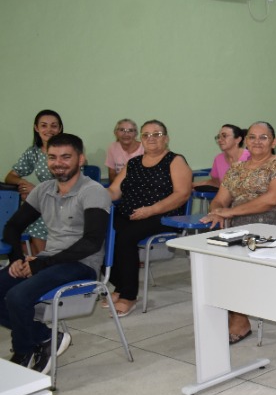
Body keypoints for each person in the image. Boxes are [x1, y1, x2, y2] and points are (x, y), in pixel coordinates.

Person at [1, 133, 111, 372]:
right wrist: (17, 259)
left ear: (80, 159)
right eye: (52, 157)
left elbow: (91, 242)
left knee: (17, 296)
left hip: (82, 264)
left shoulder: (93, 191)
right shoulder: (44, 190)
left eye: (65, 157)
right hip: (50, 260)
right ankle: (45, 337)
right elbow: (13, 226)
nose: (58, 163)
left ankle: (23, 351)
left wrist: (41, 264)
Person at [201, 122, 276, 342]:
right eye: (252, 137)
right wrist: (217, 212)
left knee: (231, 263)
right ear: (245, 141)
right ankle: (232, 311)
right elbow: (220, 199)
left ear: (274, 142)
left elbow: (272, 199)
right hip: (238, 229)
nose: (257, 142)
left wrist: (230, 212)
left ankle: (238, 318)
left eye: (263, 137)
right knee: (209, 259)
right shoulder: (236, 170)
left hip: (273, 228)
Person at [107, 120, 193, 317]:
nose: (151, 138)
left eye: (157, 134)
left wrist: (151, 210)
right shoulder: (133, 163)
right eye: (146, 135)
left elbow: (182, 194)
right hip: (130, 214)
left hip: (162, 216)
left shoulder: (175, 160)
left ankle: (128, 296)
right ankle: (119, 284)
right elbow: (114, 190)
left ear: (166, 138)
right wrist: (91, 195)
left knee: (125, 237)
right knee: (100, 230)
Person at [4, 109, 64, 255]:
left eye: (54, 126)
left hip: (63, 200)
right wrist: (23, 184)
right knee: (15, 224)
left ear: (60, 128)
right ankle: (37, 260)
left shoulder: (67, 151)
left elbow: (70, 183)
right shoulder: (34, 152)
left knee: (36, 219)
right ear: (36, 128)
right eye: (44, 125)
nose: (49, 130)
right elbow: (10, 177)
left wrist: (36, 191)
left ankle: (45, 261)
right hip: (43, 201)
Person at [193, 124, 249, 190]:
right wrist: (191, 185)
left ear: (238, 140)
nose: (220, 140)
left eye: (224, 136)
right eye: (218, 137)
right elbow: (216, 183)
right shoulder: (218, 159)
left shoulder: (250, 156)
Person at [104, 118, 144, 184]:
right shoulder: (112, 147)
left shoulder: (145, 148)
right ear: (116, 133)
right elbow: (112, 175)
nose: (126, 134)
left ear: (136, 134)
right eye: (122, 130)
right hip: (119, 186)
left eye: (130, 130)